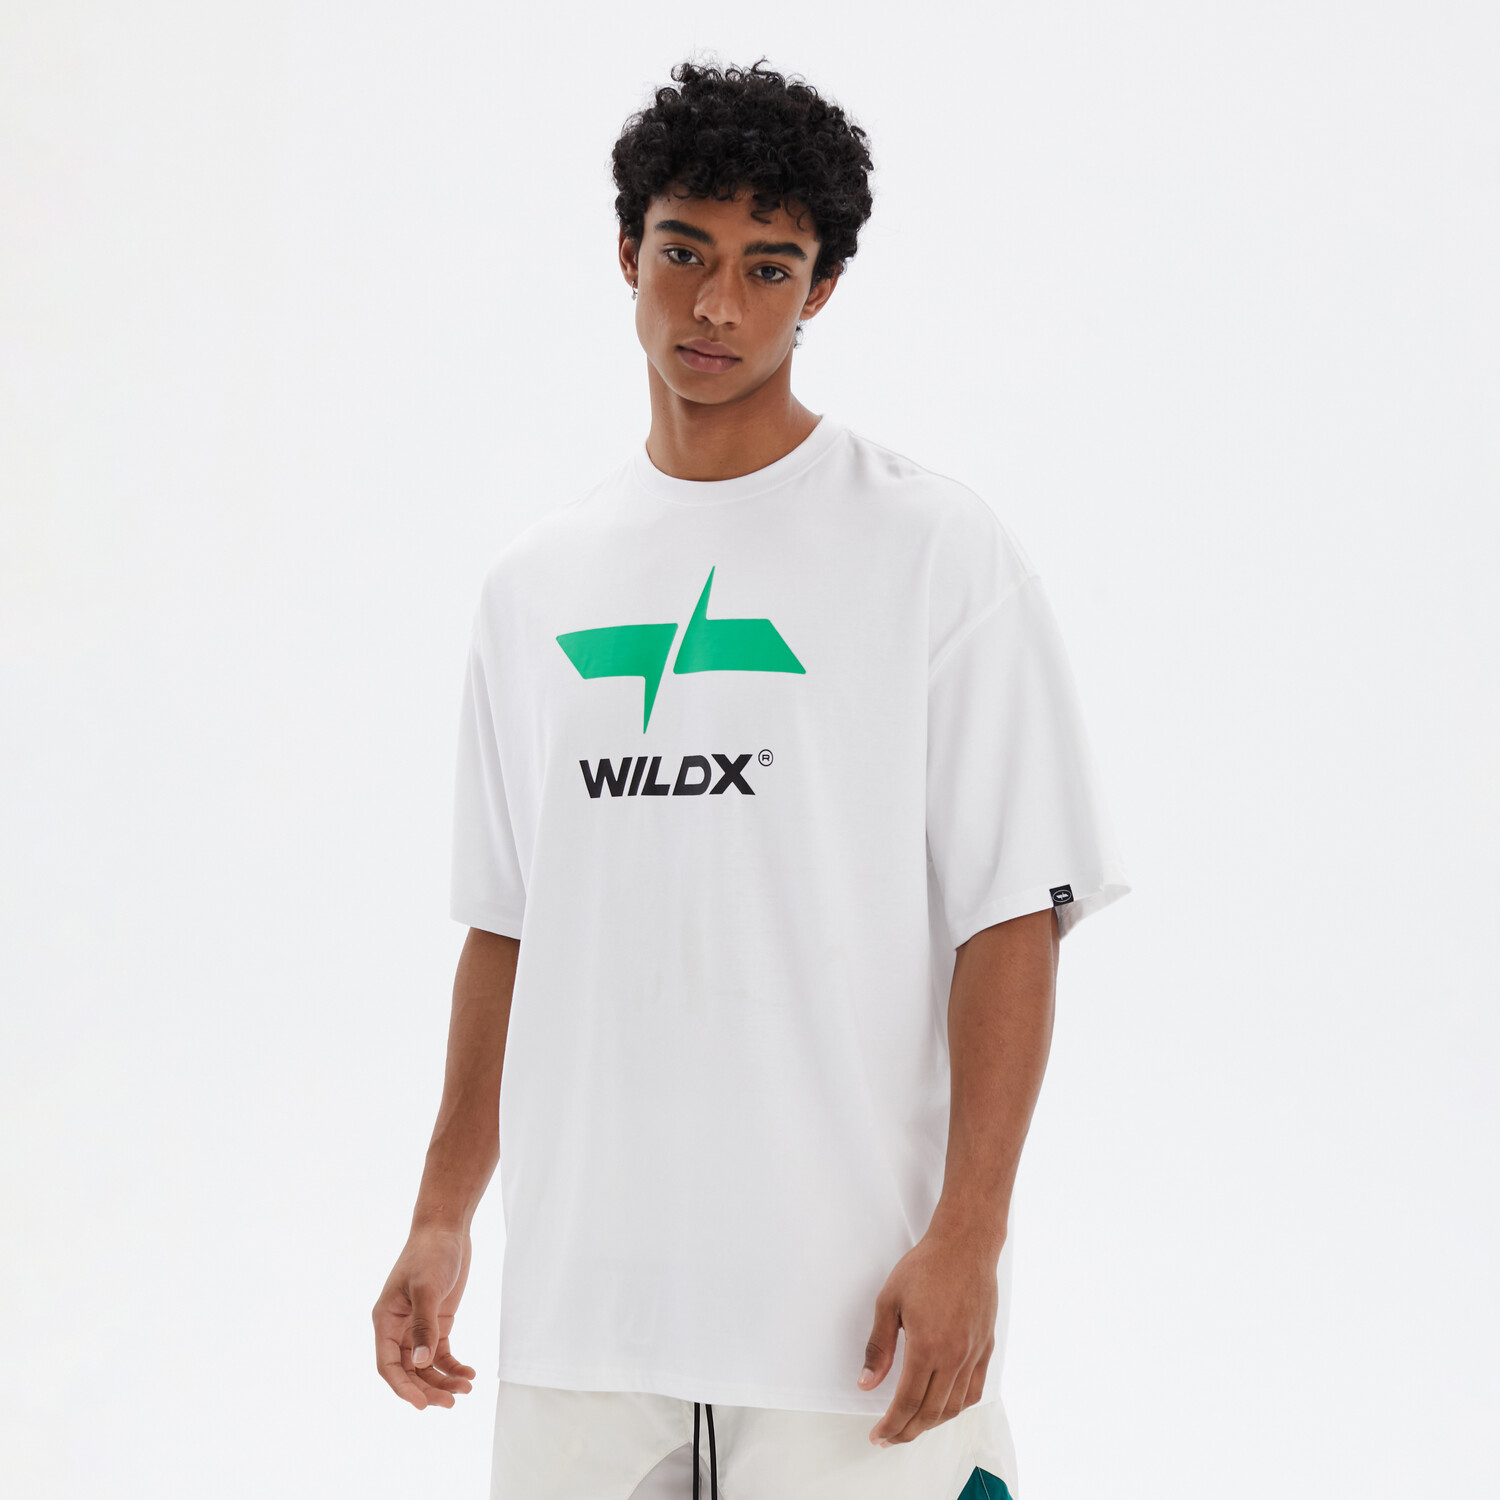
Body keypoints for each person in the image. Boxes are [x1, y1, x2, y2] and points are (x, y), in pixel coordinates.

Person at [372, 56, 1131, 1500]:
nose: (716, 305)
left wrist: (971, 1234)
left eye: (767, 267)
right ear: (627, 253)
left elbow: (1011, 918)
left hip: (850, 1330)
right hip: (587, 1326)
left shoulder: (932, 551)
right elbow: (507, 928)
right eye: (685, 252)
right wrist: (442, 1213)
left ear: (820, 290)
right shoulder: (534, 587)